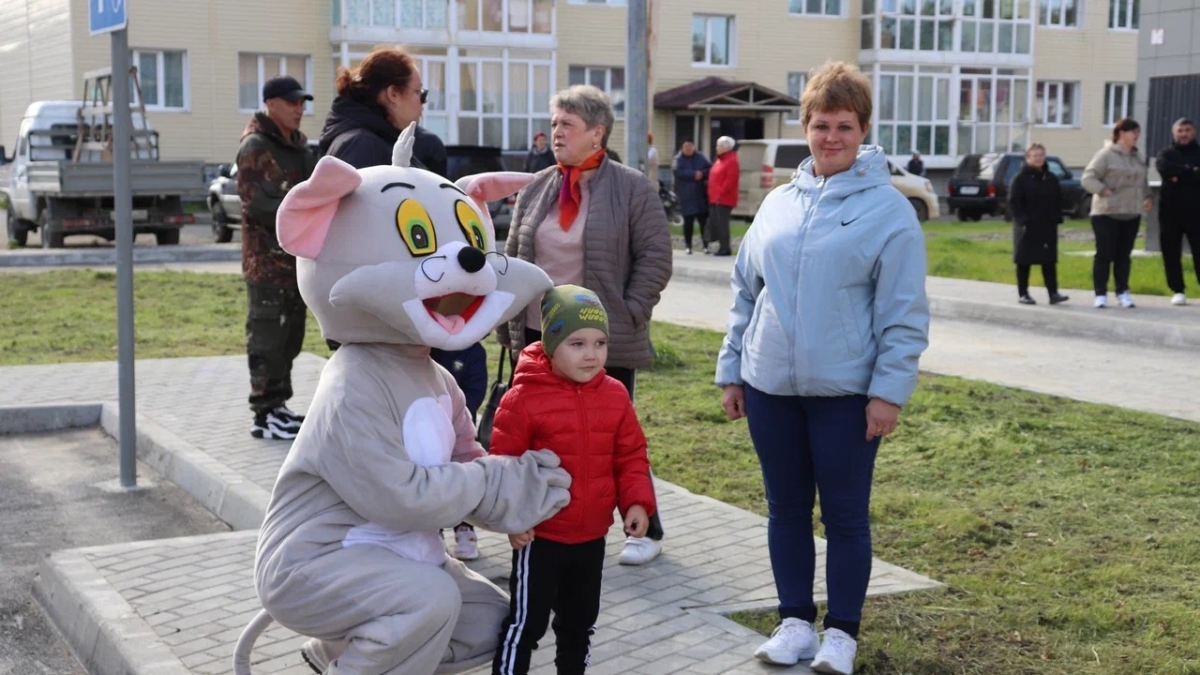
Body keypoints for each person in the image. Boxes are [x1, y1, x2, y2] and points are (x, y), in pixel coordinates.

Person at [716, 62, 929, 675]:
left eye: (843, 125)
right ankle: (792, 622)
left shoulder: (889, 212)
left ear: (863, 131)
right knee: (784, 508)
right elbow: (745, 292)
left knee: (843, 515)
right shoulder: (778, 203)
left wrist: (888, 392)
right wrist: (733, 369)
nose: (830, 136)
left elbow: (904, 314)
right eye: (819, 124)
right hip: (770, 387)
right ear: (804, 127)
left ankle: (841, 633)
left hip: (845, 393)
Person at [497, 84, 672, 567]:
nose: (556, 132)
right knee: (542, 436)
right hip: (539, 337)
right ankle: (546, 524)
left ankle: (643, 526)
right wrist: (507, 322)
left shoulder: (632, 187)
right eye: (554, 123)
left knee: (612, 437)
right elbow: (513, 258)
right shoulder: (538, 187)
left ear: (597, 133)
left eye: (566, 124)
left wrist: (628, 314)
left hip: (601, 341)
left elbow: (656, 258)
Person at [488, 285, 657, 675]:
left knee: (579, 627)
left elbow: (630, 455)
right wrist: (514, 519)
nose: (591, 354)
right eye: (577, 343)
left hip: (591, 539)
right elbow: (503, 466)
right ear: (550, 344)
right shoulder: (523, 398)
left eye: (600, 343)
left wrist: (636, 502)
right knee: (525, 626)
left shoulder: (614, 395)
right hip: (540, 538)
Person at [236, 75, 318, 440]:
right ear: (271, 103)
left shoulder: (299, 147)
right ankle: (264, 412)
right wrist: (302, 213)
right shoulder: (255, 146)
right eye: (292, 102)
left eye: (302, 102)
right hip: (266, 264)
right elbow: (257, 205)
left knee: (290, 338)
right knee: (268, 337)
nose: (300, 109)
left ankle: (279, 407)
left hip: (294, 261)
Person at [318, 45, 429, 171]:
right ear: (393, 94)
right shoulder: (361, 146)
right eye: (417, 91)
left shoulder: (376, 139)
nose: (425, 100)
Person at [1082, 118, 1153, 309]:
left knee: (1124, 255)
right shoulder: (1105, 154)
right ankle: (1100, 294)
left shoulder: (1138, 157)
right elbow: (1088, 178)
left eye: (1138, 132)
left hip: (1131, 212)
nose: (1136, 136)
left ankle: (1123, 292)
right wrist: (1103, 190)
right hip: (1107, 213)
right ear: (1121, 134)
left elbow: (1143, 179)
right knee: (1105, 254)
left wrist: (1147, 196)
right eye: (1133, 132)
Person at [432, 342, 489, 561]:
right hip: (431, 429)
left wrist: (454, 412)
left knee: (461, 482)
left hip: (461, 431)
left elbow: (476, 391)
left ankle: (465, 531)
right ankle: (434, 533)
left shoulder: (474, 352)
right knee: (436, 482)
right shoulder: (429, 348)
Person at [1008, 143, 1069, 305]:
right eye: (1034, 156)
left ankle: (1053, 293)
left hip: (1047, 225)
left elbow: (1058, 199)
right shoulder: (1020, 179)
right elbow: (1014, 202)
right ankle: (1023, 293)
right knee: (1024, 260)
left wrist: (1057, 217)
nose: (1038, 159)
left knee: (1049, 260)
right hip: (1027, 226)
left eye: (1041, 155)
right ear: (1028, 158)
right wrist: (1022, 220)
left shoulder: (1050, 178)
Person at [1155, 117, 1200, 306]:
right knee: (1171, 252)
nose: (1184, 134)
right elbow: (1164, 169)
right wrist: (1192, 171)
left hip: (1197, 211)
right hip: (1170, 212)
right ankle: (1178, 289)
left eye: (1187, 130)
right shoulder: (1165, 153)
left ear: (1194, 132)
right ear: (1174, 133)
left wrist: (1179, 174)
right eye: (1180, 131)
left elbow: (1174, 174)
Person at [673, 139, 712, 254]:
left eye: (690, 147)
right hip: (687, 196)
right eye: (686, 148)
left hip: (701, 195)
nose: (689, 150)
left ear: (694, 147)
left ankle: (706, 246)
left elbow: (710, 169)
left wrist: (703, 174)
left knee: (703, 223)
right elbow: (677, 171)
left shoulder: (701, 157)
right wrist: (693, 174)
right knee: (688, 223)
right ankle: (688, 246)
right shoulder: (678, 159)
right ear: (682, 148)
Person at [707, 136, 740, 257]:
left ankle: (725, 248)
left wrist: (720, 194)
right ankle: (721, 246)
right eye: (717, 145)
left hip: (724, 199)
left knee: (722, 224)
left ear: (727, 147)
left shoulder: (731, 160)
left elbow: (731, 180)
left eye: (720, 146)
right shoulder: (719, 159)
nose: (717, 148)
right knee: (717, 223)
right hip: (716, 198)